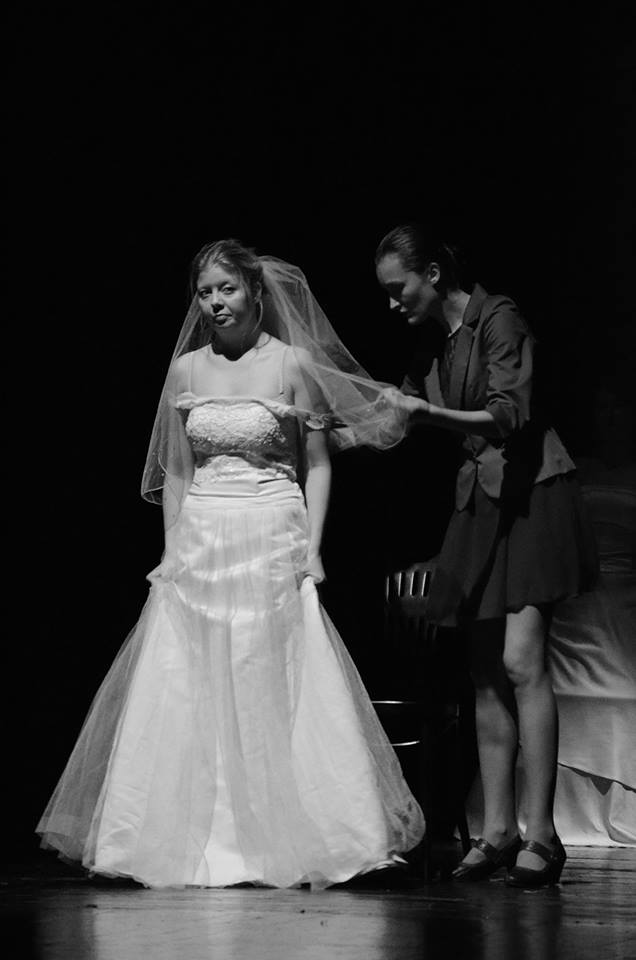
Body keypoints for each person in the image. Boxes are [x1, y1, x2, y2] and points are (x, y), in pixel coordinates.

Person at [36, 239, 424, 890]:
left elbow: (317, 463)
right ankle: (182, 838)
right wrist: (172, 551)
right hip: (203, 535)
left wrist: (313, 548)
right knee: (188, 675)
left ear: (255, 292)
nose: (215, 302)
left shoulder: (292, 364)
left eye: (227, 288)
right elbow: (177, 470)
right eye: (205, 292)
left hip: (272, 526)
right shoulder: (186, 370)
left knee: (267, 670)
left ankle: (294, 837)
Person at [375, 224, 597, 887]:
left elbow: (509, 415)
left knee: (522, 662)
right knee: (483, 672)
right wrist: (329, 420)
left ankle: (543, 834)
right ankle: (497, 830)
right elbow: (396, 414)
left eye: (399, 288)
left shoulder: (499, 318)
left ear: (433, 274)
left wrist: (424, 414)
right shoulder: (434, 341)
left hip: (530, 493)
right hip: (479, 502)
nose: (393, 302)